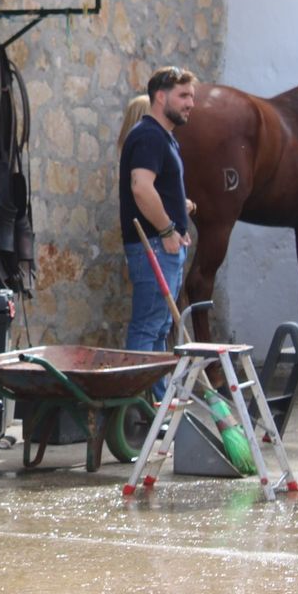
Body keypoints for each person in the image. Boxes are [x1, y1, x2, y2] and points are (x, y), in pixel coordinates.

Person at [119, 68, 196, 397]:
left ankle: (156, 402)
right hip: (152, 246)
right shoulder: (149, 135)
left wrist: (179, 220)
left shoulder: (164, 137)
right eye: (184, 96)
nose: (190, 103)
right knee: (148, 327)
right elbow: (141, 188)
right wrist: (166, 229)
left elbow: (157, 190)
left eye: (192, 96)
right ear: (160, 97)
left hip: (164, 246)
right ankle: (138, 407)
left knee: (160, 327)